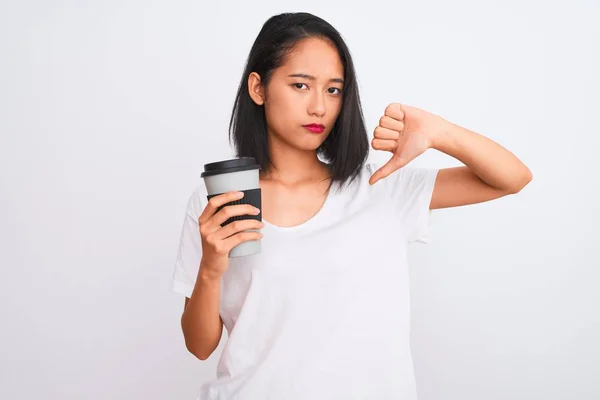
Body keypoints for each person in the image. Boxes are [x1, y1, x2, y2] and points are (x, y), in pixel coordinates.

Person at [171, 12, 532, 400]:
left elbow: (512, 178)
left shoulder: (380, 187)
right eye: (300, 85)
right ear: (258, 88)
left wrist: (438, 132)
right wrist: (210, 267)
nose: (319, 108)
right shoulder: (222, 197)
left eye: (333, 90)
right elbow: (200, 346)